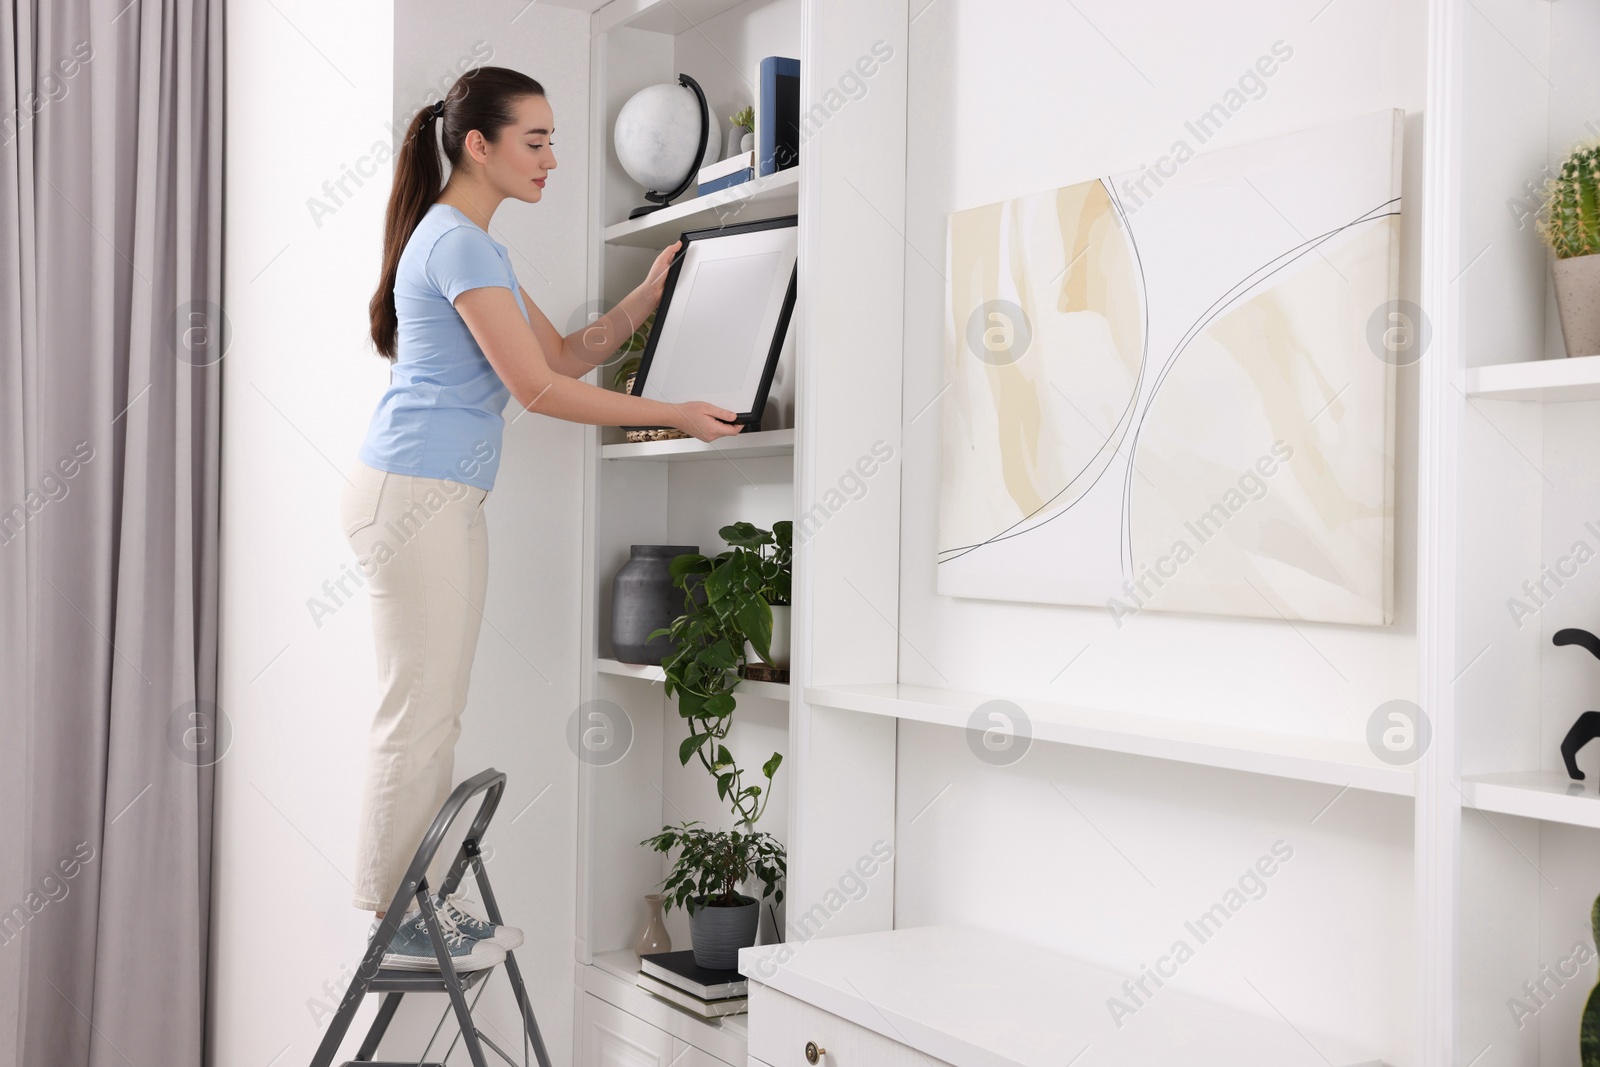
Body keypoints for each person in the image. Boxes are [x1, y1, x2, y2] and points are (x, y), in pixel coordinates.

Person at [342, 66, 743, 971]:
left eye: (554, 140)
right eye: (537, 140)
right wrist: (671, 411)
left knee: (434, 710)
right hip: (414, 496)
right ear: (477, 145)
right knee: (419, 713)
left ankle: (410, 908)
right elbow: (537, 389)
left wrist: (646, 297)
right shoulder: (457, 242)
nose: (554, 158)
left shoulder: (470, 240)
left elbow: (562, 353)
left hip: (435, 496)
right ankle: (393, 917)